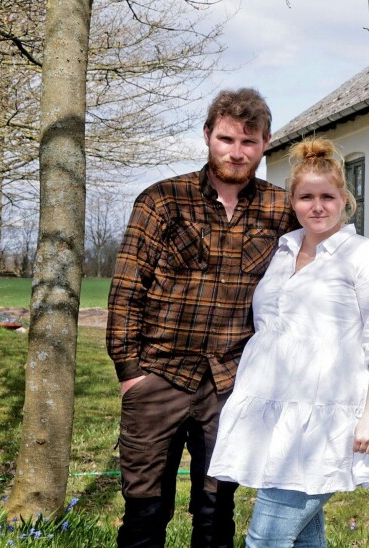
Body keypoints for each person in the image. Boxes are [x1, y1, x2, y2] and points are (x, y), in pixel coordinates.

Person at [107, 87, 298, 548]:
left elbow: (311, 281)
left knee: (216, 510)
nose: (237, 152)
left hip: (231, 382)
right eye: (227, 139)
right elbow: (127, 290)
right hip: (158, 374)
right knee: (144, 509)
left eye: (248, 143)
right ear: (208, 135)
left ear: (265, 143)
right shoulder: (162, 201)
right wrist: (131, 373)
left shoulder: (280, 210)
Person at [208, 137, 369, 547]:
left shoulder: (366, 256)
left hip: (329, 419)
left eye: (327, 196)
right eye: (306, 197)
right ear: (293, 200)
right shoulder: (282, 252)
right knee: (304, 538)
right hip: (278, 415)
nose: (317, 206)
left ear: (345, 200)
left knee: (265, 539)